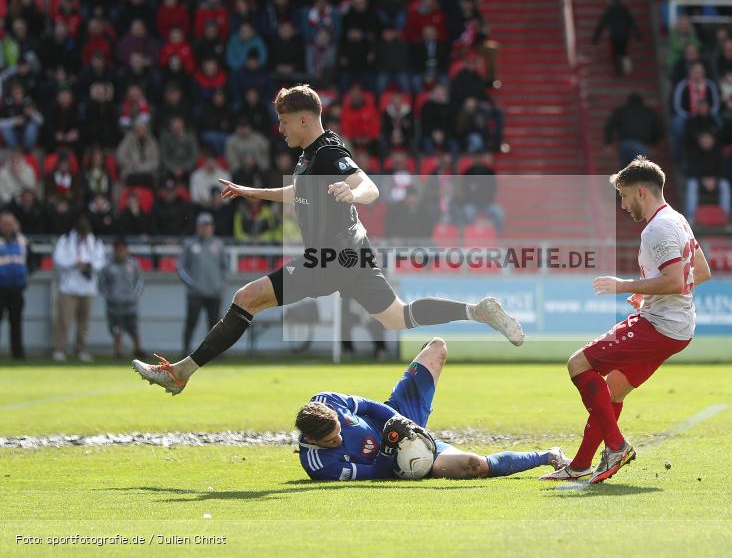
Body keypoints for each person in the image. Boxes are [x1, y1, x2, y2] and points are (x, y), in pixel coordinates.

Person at [134, 84, 524, 395]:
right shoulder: (311, 156)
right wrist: (251, 192)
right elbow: (297, 194)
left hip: (331, 255)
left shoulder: (327, 152)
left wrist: (354, 195)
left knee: (245, 299)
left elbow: (368, 185)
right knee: (397, 317)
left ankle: (182, 372)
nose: (280, 129)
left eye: (284, 122)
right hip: (352, 252)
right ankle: (476, 311)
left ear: (304, 119)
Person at [542, 158, 711, 484]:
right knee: (612, 390)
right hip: (678, 327)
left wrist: (625, 286)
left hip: (659, 325)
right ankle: (580, 465)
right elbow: (700, 272)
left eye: (624, 195)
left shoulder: (657, 228)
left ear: (642, 192)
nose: (622, 205)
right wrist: (650, 294)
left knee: (578, 364)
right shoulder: (677, 219)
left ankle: (617, 446)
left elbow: (676, 280)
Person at [295, 337, 567, 480]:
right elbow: (378, 475)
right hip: (401, 460)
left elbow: (367, 405)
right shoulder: (320, 465)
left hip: (400, 416)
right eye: (332, 441)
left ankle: (416, 373)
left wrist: (403, 423)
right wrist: (390, 447)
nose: (339, 439)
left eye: (339, 430)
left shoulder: (325, 401)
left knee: (437, 347)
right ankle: (549, 455)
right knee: (476, 466)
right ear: (311, 440)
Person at [52, 216, 107, 363]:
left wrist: (89, 265)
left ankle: (80, 349)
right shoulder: (65, 240)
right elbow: (58, 260)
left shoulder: (95, 242)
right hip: (68, 287)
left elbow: (100, 262)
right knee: (64, 320)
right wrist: (74, 262)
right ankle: (60, 349)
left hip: (88, 288)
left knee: (84, 322)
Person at [177, 212, 228, 357]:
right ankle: (185, 351)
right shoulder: (189, 244)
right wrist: (191, 284)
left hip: (214, 293)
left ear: (212, 227)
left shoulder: (218, 245)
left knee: (215, 325)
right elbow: (181, 267)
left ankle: (216, 352)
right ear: (198, 227)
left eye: (208, 226)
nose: (206, 229)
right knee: (191, 322)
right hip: (195, 294)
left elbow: (225, 267)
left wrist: (221, 284)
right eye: (203, 226)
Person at [98, 239, 146, 360]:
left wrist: (134, 296)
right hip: (114, 305)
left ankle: (138, 349)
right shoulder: (108, 266)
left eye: (122, 250)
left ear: (126, 250)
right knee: (117, 330)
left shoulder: (133, 264)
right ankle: (118, 351)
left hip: (130, 304)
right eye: (118, 250)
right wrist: (109, 296)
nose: (120, 253)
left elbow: (139, 281)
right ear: (114, 251)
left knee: (134, 328)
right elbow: (102, 284)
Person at [604, 93, 663, 167]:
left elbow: (610, 126)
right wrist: (654, 142)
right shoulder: (648, 112)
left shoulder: (621, 111)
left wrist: (608, 142)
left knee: (625, 171)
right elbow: (658, 128)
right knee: (639, 170)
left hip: (624, 144)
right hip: (641, 144)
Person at [592, 0, 641, 74]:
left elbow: (602, 24)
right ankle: (627, 69)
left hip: (614, 35)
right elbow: (631, 22)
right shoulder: (624, 9)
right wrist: (637, 35)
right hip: (624, 34)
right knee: (624, 52)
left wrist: (596, 38)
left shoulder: (610, 9)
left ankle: (618, 70)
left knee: (615, 53)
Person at [0, 212, 27, 359]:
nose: (8, 227)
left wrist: (25, 273)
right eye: (5, 224)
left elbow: (32, 257)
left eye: (10, 224)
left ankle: (17, 353)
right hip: (0, 288)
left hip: (17, 288)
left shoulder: (22, 241)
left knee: (16, 322)